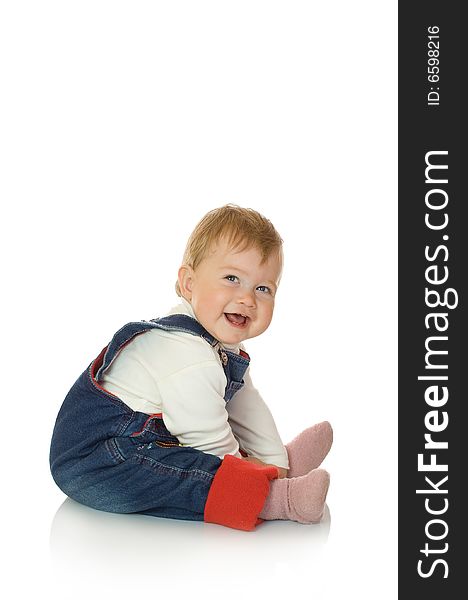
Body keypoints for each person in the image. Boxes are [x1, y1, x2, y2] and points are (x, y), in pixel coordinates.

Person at [50, 204, 332, 531]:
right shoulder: (188, 353)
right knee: (184, 476)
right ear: (188, 284)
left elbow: (247, 406)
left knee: (191, 458)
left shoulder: (222, 347)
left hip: (141, 444)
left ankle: (283, 472)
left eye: (262, 288)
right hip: (98, 464)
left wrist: (274, 460)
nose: (247, 299)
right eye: (231, 278)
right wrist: (249, 476)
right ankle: (277, 499)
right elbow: (207, 440)